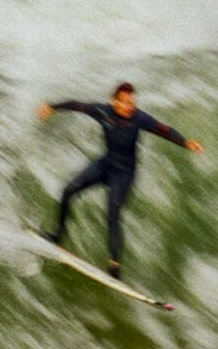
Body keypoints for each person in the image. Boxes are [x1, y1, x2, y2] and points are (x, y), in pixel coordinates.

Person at [35, 83, 202, 278]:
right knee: (68, 190)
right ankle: (56, 236)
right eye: (123, 102)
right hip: (104, 165)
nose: (128, 106)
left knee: (113, 211)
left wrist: (185, 142)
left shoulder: (140, 118)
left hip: (124, 174)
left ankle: (114, 264)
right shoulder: (103, 111)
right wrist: (52, 107)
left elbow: (164, 130)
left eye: (131, 103)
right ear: (114, 101)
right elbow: (77, 105)